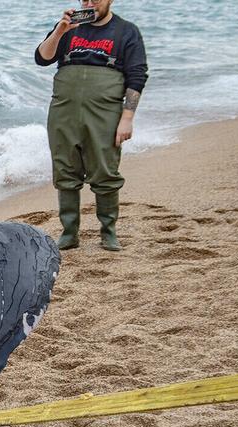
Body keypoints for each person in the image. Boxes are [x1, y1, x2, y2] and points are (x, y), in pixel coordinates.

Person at [35, 0, 148, 251]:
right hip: (64, 110)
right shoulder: (68, 27)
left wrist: (127, 119)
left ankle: (108, 232)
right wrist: (60, 30)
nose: (89, 3)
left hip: (105, 112)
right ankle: (69, 232)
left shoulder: (126, 31)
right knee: (65, 170)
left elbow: (137, 75)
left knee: (106, 171)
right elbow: (42, 58)